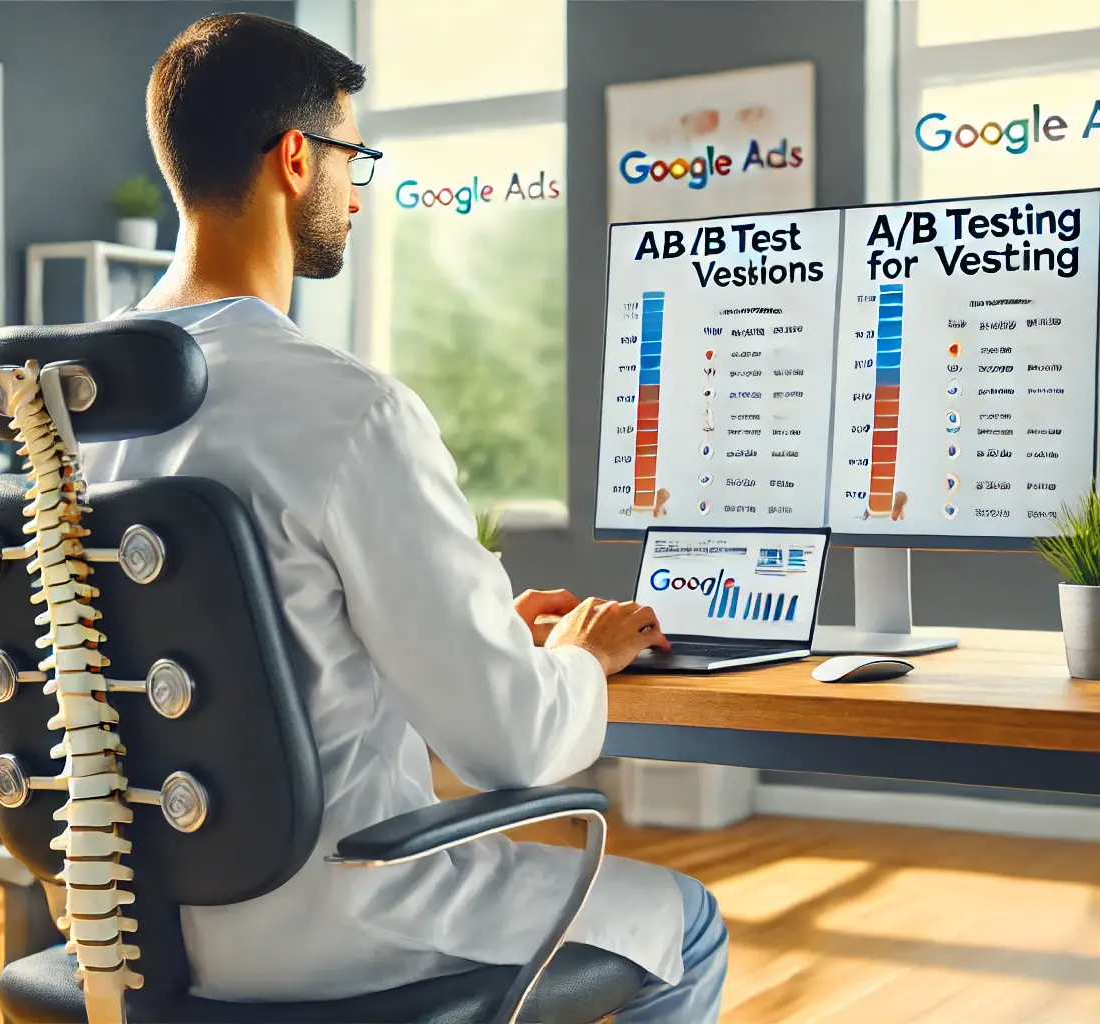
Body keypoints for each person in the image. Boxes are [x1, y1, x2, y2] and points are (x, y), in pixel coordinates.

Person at [78, 13, 728, 1023]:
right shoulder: (347, 410)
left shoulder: (68, 413)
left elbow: (237, 639)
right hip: (345, 921)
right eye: (353, 159)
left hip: (127, 928)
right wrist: (576, 654)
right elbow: (507, 744)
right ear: (297, 158)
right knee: (686, 923)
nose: (357, 195)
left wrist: (476, 620)